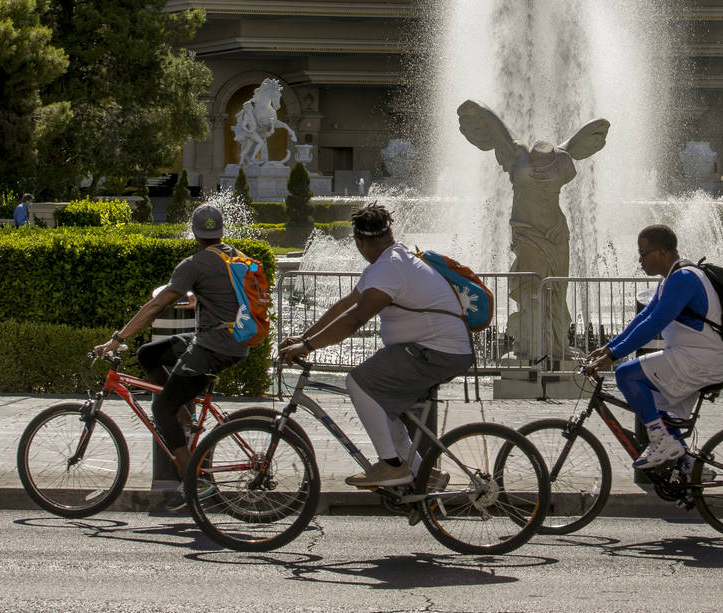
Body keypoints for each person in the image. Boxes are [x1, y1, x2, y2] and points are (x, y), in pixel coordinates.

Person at [280, 202, 474, 487]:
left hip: (437, 351)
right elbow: (346, 305)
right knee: (382, 405)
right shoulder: (394, 259)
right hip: (436, 349)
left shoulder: (389, 268)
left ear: (360, 242)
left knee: (358, 382)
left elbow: (355, 318)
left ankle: (391, 465)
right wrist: (304, 338)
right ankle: (423, 475)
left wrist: (308, 348)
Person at [94, 204, 249, 502]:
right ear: (220, 232)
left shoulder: (193, 263)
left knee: (160, 409)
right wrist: (194, 296)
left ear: (194, 232)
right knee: (148, 354)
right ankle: (180, 411)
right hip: (231, 338)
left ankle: (192, 480)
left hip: (214, 346)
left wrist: (117, 338)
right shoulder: (233, 254)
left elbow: (155, 307)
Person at [585, 224, 723, 469]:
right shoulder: (670, 279)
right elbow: (643, 318)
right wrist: (608, 347)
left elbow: (655, 323)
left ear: (662, 253)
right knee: (657, 411)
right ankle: (692, 467)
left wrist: (614, 357)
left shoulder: (684, 279)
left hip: (700, 360)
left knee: (627, 376)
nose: (639, 260)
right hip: (692, 358)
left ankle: (662, 443)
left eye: (644, 253)